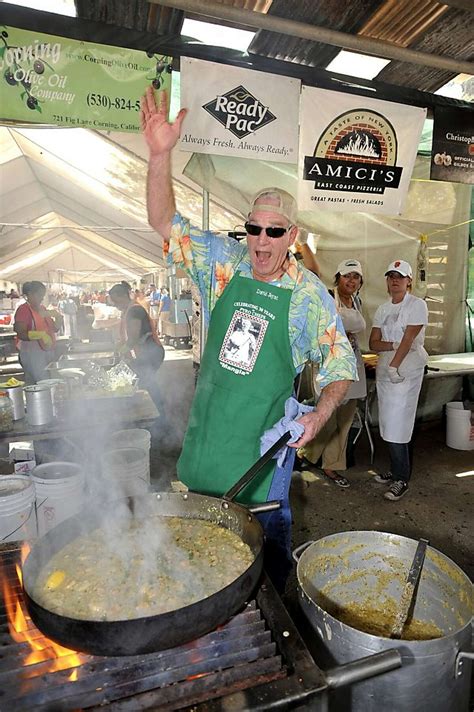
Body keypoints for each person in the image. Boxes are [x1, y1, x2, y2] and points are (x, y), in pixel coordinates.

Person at [141, 86, 357, 589]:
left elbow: (340, 367)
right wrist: (159, 155)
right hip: (206, 443)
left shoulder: (307, 296)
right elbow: (163, 223)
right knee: (195, 559)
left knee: (264, 565)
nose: (261, 241)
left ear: (293, 236)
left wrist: (318, 416)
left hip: (260, 458)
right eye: (254, 228)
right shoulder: (224, 262)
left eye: (274, 232)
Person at [298, 259, 367, 487]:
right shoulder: (327, 296)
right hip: (329, 364)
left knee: (345, 420)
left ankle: (332, 466)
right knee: (326, 418)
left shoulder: (357, 301)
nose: (352, 281)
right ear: (338, 278)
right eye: (347, 276)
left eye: (356, 276)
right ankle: (307, 454)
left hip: (352, 364)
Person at [369, 260, 428, 501]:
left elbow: (410, 339)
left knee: (399, 424)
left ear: (409, 281)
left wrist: (395, 365)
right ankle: (395, 470)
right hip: (386, 369)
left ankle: (402, 478)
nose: (395, 280)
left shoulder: (417, 305)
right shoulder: (383, 308)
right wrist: (391, 350)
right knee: (387, 423)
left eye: (400, 276)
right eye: (391, 276)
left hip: (407, 370)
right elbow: (373, 343)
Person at [108, 281, 165, 412]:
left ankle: (158, 413)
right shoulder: (129, 310)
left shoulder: (135, 310)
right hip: (145, 352)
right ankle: (156, 411)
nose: (115, 305)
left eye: (116, 301)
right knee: (145, 380)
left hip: (152, 352)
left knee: (146, 381)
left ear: (123, 296)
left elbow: (133, 337)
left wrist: (121, 352)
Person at [13, 281, 60, 384]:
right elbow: (21, 333)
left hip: (47, 352)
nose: (42, 298)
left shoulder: (42, 309)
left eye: (42, 296)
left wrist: (58, 318)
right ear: (29, 294)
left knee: (48, 381)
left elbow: (54, 328)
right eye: (39, 295)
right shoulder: (23, 310)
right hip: (32, 354)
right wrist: (40, 335)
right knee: (42, 383)